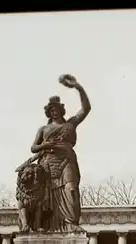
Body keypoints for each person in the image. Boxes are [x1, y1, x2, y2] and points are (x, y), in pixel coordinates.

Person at [28, 74, 91, 231]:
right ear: (49, 113)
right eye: (51, 110)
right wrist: (45, 145)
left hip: (67, 160)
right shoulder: (44, 129)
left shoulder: (71, 123)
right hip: (48, 164)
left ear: (61, 110)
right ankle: (50, 226)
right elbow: (33, 148)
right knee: (47, 198)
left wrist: (78, 87)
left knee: (71, 190)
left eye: (56, 109)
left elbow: (86, 109)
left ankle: (71, 223)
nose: (54, 112)